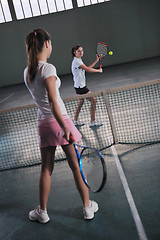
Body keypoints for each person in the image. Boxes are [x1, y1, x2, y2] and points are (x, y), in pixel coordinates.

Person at [24, 29, 98, 223]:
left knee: (46, 169)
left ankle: (42, 212)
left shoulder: (27, 71)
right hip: (59, 121)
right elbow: (52, 100)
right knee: (75, 166)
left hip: (43, 124)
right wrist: (65, 126)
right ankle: (87, 207)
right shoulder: (48, 69)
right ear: (47, 43)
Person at [71, 45, 103, 127]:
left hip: (78, 86)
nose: (81, 52)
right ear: (75, 53)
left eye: (82, 50)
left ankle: (75, 120)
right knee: (94, 100)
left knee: (80, 102)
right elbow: (88, 70)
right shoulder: (77, 61)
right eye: (79, 51)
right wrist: (98, 70)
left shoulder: (78, 60)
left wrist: (96, 61)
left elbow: (86, 68)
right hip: (81, 87)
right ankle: (92, 121)